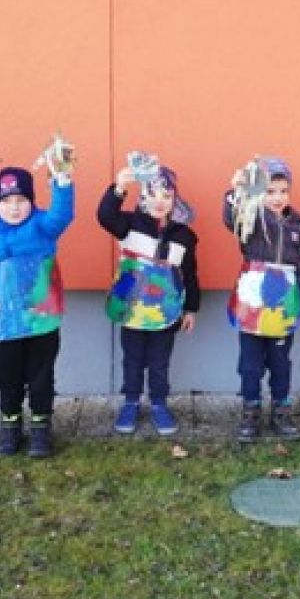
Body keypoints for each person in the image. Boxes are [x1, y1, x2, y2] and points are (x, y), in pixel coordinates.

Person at [0, 163, 73, 457]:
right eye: (6, 201)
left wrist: (62, 180)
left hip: (41, 321)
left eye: (21, 200)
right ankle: (10, 424)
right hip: (4, 324)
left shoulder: (43, 227)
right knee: (7, 377)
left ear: (31, 201)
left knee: (41, 375)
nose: (14, 207)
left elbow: (61, 214)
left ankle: (41, 426)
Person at [98, 162, 200, 437]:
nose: (160, 201)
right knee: (132, 358)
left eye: (167, 195)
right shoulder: (128, 224)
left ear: (175, 199)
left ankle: (159, 403)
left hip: (166, 311)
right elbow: (105, 216)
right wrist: (119, 188)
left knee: (159, 361)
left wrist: (191, 308)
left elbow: (190, 274)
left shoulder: (184, 236)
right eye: (153, 194)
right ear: (143, 196)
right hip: (131, 309)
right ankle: (131, 402)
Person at [224, 157, 300, 442]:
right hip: (252, 300)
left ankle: (281, 409)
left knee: (280, 361)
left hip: (283, 303)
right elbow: (231, 218)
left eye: (283, 191)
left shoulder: (297, 227)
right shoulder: (251, 218)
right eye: (270, 191)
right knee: (250, 362)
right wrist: (235, 192)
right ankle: (250, 410)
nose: (277, 197)